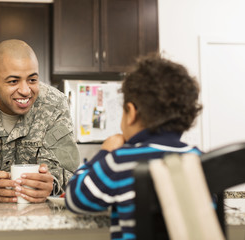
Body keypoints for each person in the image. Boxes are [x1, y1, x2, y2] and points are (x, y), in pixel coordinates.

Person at [65, 54, 203, 240]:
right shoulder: (200, 160)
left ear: (131, 113)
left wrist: (104, 153)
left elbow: (75, 199)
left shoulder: (121, 160)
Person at [0, 39, 80, 203]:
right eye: (13, 81)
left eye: (32, 80)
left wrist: (51, 184)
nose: (25, 91)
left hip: (39, 213)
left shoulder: (55, 105)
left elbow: (67, 171)